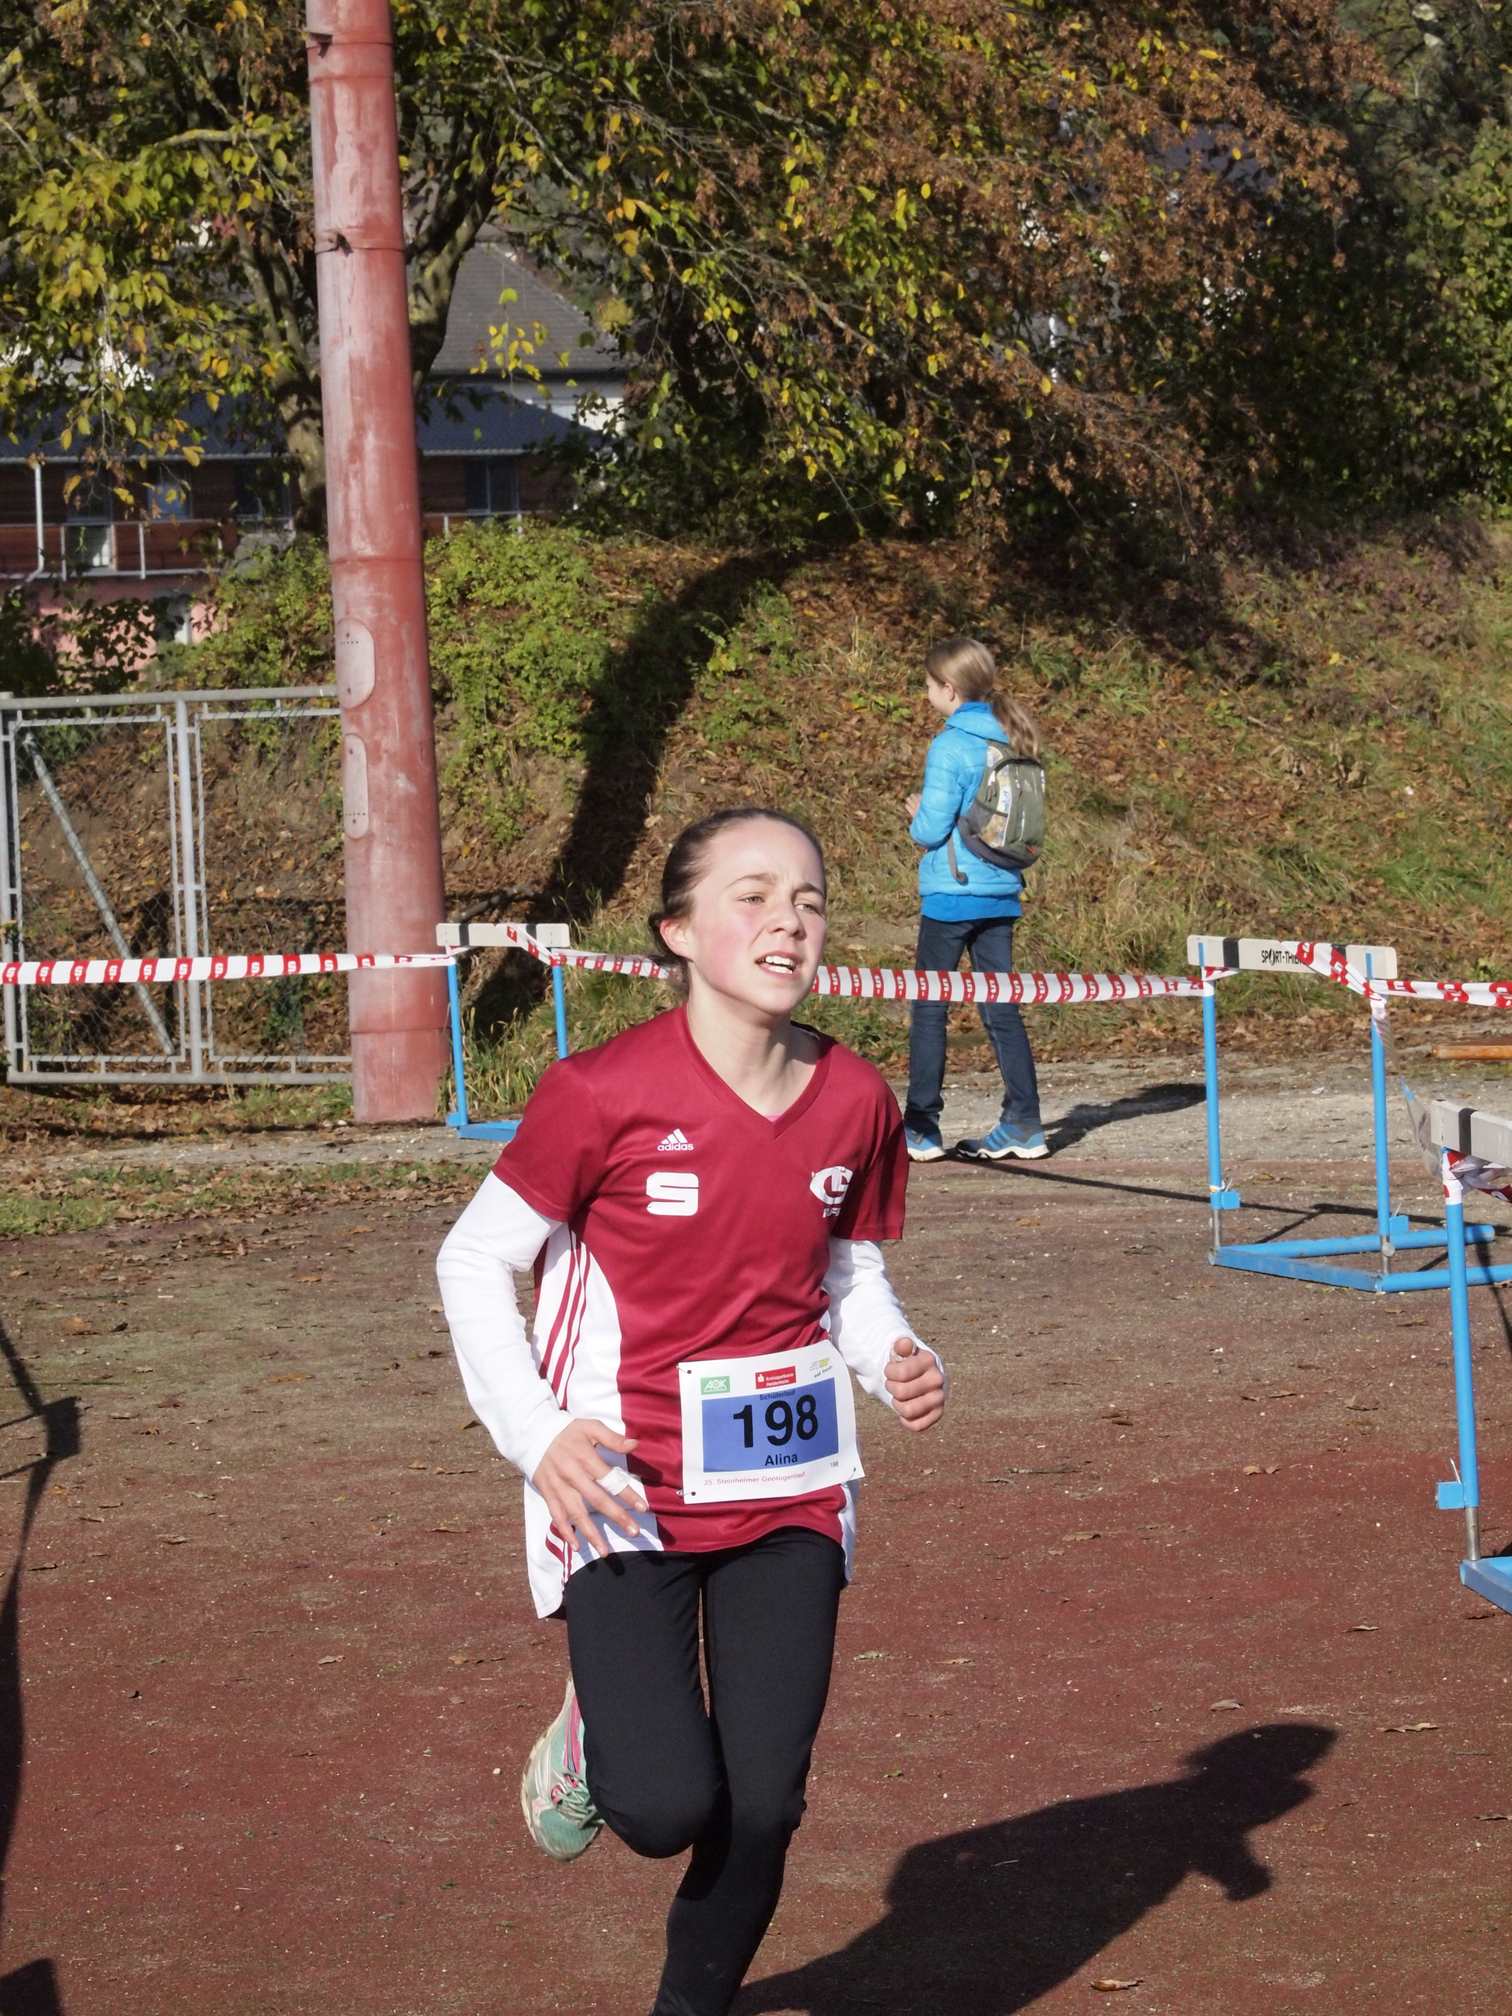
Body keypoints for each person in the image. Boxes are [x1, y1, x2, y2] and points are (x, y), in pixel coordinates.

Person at [436, 806, 946, 2016]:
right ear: (677, 931)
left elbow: (848, 1273)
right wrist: (538, 1435)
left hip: (791, 1491)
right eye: (753, 896)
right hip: (622, 1487)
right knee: (665, 1806)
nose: (790, 922)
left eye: (810, 901)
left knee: (765, 1804)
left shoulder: (856, 1098)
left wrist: (891, 1355)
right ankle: (599, 1736)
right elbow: (472, 1260)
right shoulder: (599, 1092)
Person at [902, 635, 1048, 1163]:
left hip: (951, 894)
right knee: (1001, 1008)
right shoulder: (1013, 735)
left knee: (930, 1007)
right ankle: (1024, 1123)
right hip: (1002, 892)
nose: (926, 695)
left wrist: (915, 812)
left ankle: (921, 1128)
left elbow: (929, 829)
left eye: (928, 685)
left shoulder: (950, 745)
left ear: (949, 689)